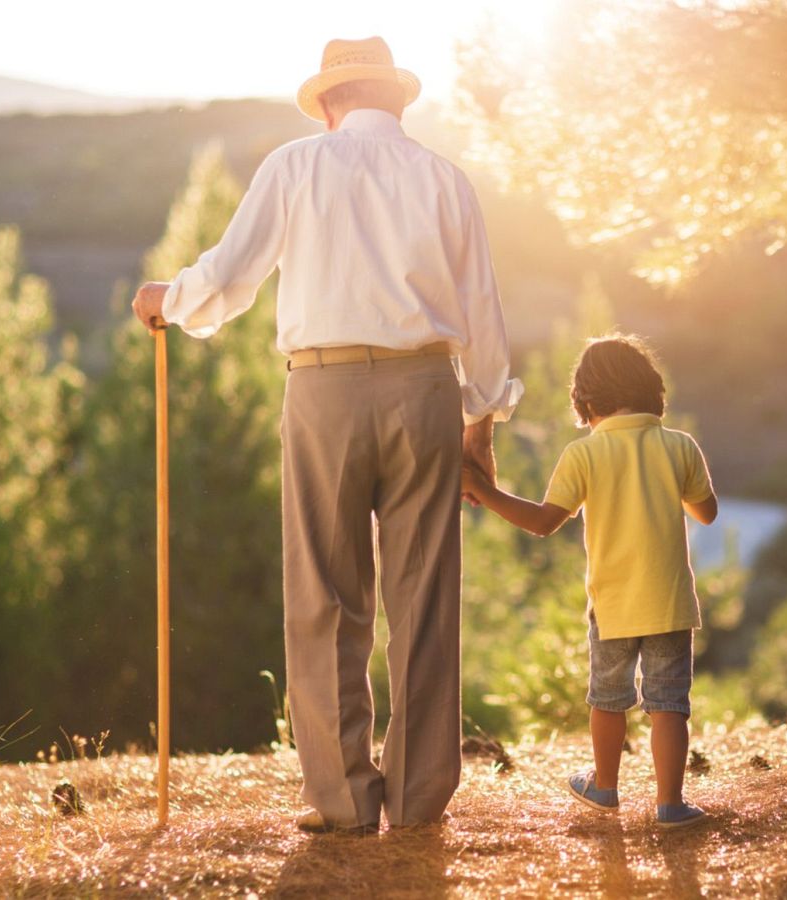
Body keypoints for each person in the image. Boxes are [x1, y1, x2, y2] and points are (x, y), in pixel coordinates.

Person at [130, 36, 522, 833]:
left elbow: (232, 279)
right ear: (397, 99)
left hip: (323, 389)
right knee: (424, 597)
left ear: (331, 102)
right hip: (427, 392)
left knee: (325, 594)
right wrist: (481, 424)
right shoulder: (447, 180)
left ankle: (344, 800)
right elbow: (483, 313)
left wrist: (168, 298)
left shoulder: (295, 166)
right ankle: (416, 802)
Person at [460, 335, 717, 829]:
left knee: (608, 698)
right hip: (669, 602)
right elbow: (706, 513)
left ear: (586, 402)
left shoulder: (584, 454)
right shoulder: (680, 445)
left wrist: (484, 491)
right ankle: (670, 804)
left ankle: (604, 787)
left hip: (615, 604)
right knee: (669, 704)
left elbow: (542, 522)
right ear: (651, 393)